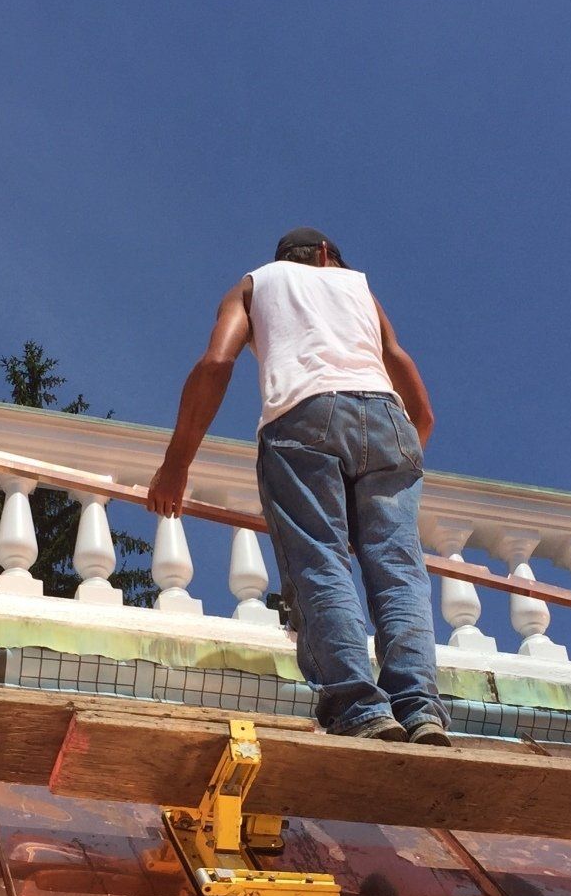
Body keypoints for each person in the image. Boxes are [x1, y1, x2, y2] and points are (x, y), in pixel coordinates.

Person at [148, 227, 449, 744]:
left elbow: (217, 362)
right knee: (399, 570)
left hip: (304, 415)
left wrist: (176, 463)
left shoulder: (254, 284)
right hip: (388, 422)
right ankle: (420, 709)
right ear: (328, 255)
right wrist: (394, 461)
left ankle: (361, 709)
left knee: (321, 561)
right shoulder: (358, 287)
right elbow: (418, 402)